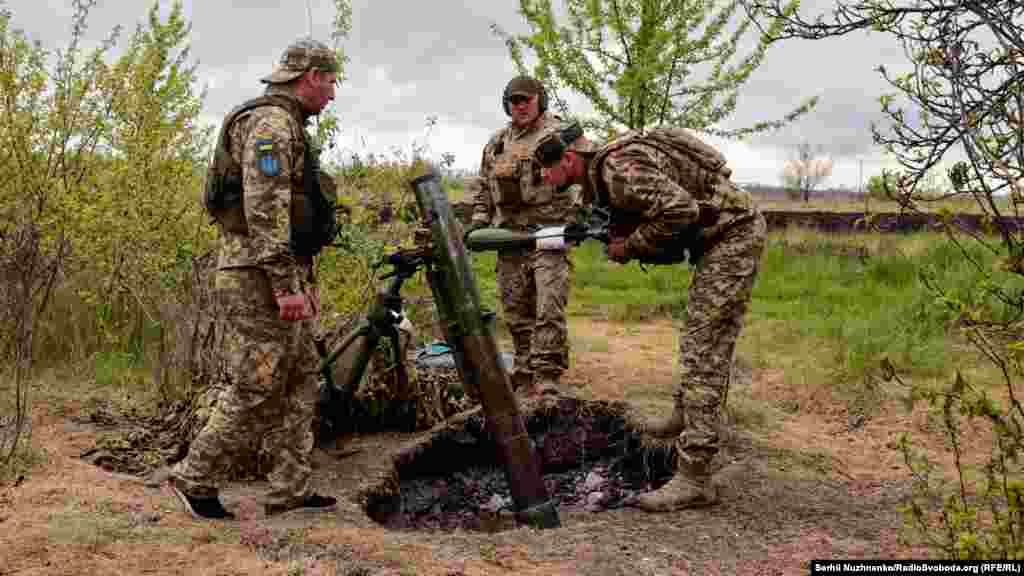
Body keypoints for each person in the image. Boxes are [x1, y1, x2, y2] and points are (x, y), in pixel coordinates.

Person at [534, 122, 766, 511]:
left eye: (546, 168)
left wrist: (631, 247)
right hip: (722, 235)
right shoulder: (605, 171)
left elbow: (680, 210)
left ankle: (695, 476)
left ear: (569, 159)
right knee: (699, 340)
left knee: (704, 346)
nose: (543, 177)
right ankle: (685, 413)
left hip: (733, 235)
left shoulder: (616, 168)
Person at [170, 38, 341, 520]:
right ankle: (193, 476)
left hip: (280, 271)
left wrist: (300, 281)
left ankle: (290, 487)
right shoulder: (270, 124)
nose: (331, 93)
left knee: (303, 375)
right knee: (258, 382)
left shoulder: (287, 123)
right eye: (329, 82)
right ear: (309, 76)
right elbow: (266, 210)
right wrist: (285, 287)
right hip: (257, 277)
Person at [469, 76, 576, 397]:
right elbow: (484, 188)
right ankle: (525, 370)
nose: (520, 106)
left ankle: (547, 374)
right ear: (507, 104)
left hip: (549, 234)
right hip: (509, 237)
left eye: (526, 99)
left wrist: (577, 216)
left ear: (539, 100)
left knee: (548, 305)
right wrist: (478, 223)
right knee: (516, 309)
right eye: (514, 101)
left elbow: (579, 175)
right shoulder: (496, 143)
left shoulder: (559, 135)